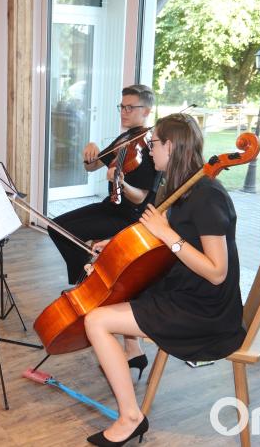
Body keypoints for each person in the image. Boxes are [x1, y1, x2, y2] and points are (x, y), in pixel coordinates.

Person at [82, 113, 246, 446]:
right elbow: (156, 240)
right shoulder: (178, 186)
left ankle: (130, 417)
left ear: (170, 146)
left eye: (152, 143)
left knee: (96, 321)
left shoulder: (207, 196)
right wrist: (112, 249)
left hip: (205, 311)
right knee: (113, 290)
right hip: (184, 289)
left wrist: (168, 234)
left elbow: (217, 272)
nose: (148, 149)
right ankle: (132, 352)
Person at [47, 84, 159, 381]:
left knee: (67, 232)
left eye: (130, 107)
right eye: (121, 107)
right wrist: (91, 153)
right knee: (57, 227)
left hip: (131, 217)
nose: (124, 112)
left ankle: (91, 283)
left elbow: (140, 197)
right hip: (110, 207)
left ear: (146, 111)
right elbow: (92, 167)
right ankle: (90, 279)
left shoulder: (150, 148)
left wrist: (121, 180)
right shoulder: (125, 139)